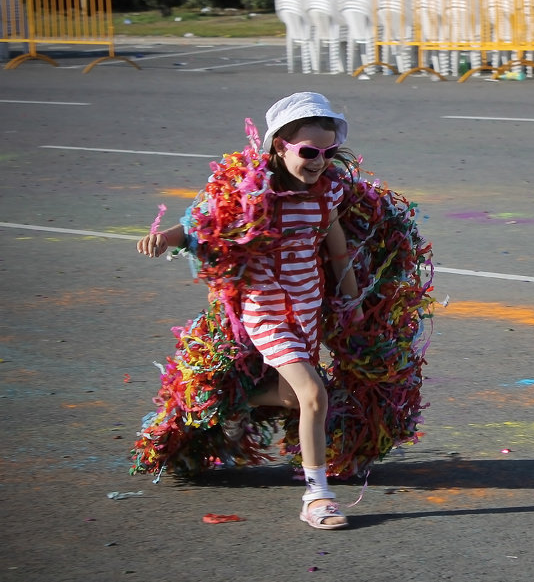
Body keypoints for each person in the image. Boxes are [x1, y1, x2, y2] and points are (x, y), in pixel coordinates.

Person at [132, 92, 435, 530]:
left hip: (308, 307)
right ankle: (317, 495)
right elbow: (204, 223)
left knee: (296, 398)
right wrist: (165, 238)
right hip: (265, 309)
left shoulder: (326, 192)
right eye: (309, 152)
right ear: (279, 145)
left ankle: (231, 403)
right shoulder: (250, 194)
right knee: (315, 395)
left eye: (329, 153)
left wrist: (351, 300)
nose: (320, 161)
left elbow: (336, 249)